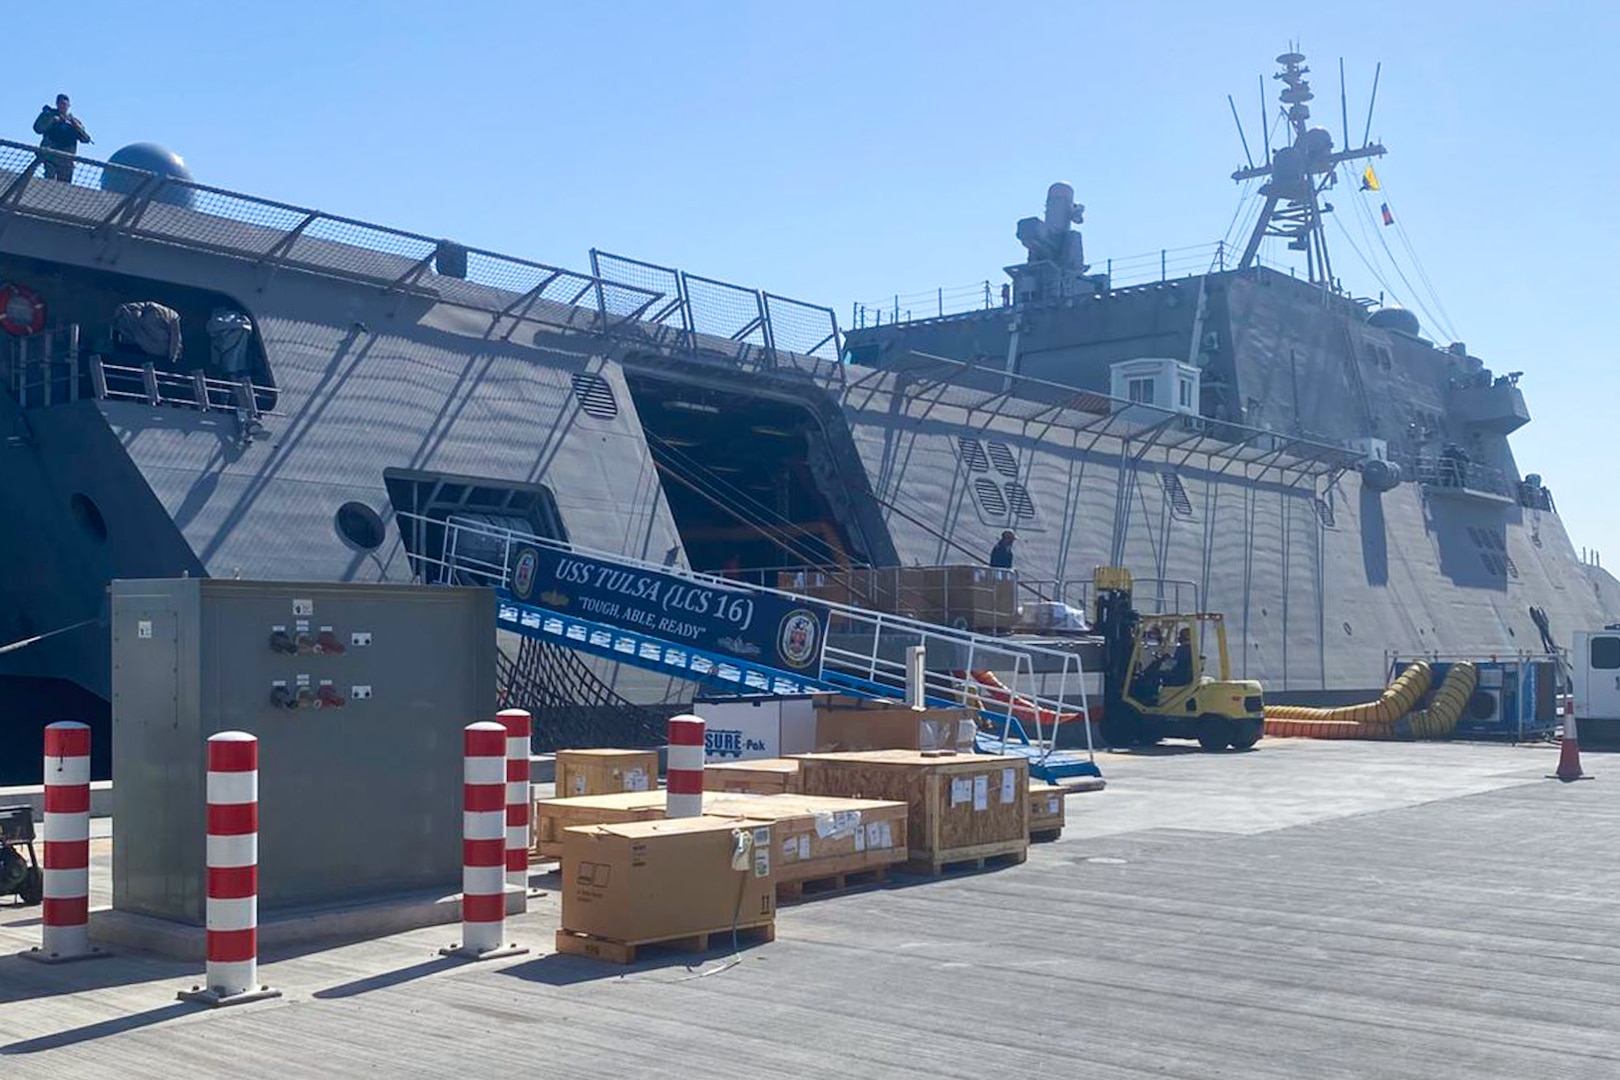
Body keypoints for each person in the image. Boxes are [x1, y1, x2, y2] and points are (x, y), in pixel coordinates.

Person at [33, 94, 91, 182]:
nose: (62, 106)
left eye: (65, 104)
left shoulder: (74, 121)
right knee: (49, 182)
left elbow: (86, 139)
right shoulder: (49, 115)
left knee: (64, 185)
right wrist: (52, 120)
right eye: (60, 103)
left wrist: (76, 126)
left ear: (68, 106)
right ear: (57, 104)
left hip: (66, 159)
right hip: (50, 156)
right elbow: (38, 129)